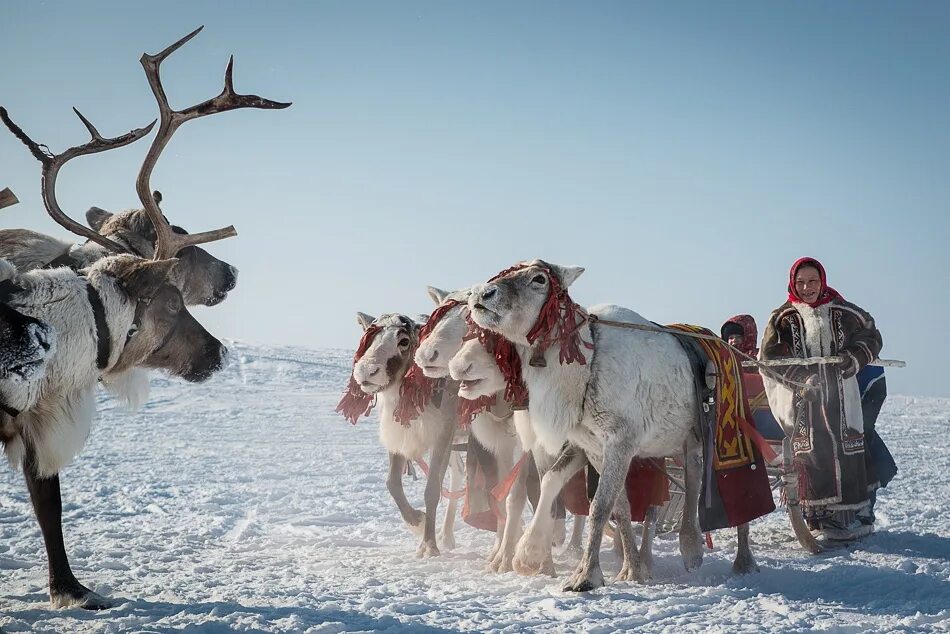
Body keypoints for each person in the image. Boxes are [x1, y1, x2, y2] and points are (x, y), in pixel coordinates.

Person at [760, 257, 883, 541]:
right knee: (812, 452)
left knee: (847, 446)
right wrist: (801, 378)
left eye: (812, 281)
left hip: (842, 394)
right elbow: (769, 357)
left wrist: (852, 359)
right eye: (801, 282)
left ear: (822, 280)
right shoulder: (783, 318)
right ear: (793, 283)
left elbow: (871, 335)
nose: (807, 288)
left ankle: (852, 516)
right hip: (805, 398)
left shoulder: (843, 310)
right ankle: (817, 518)